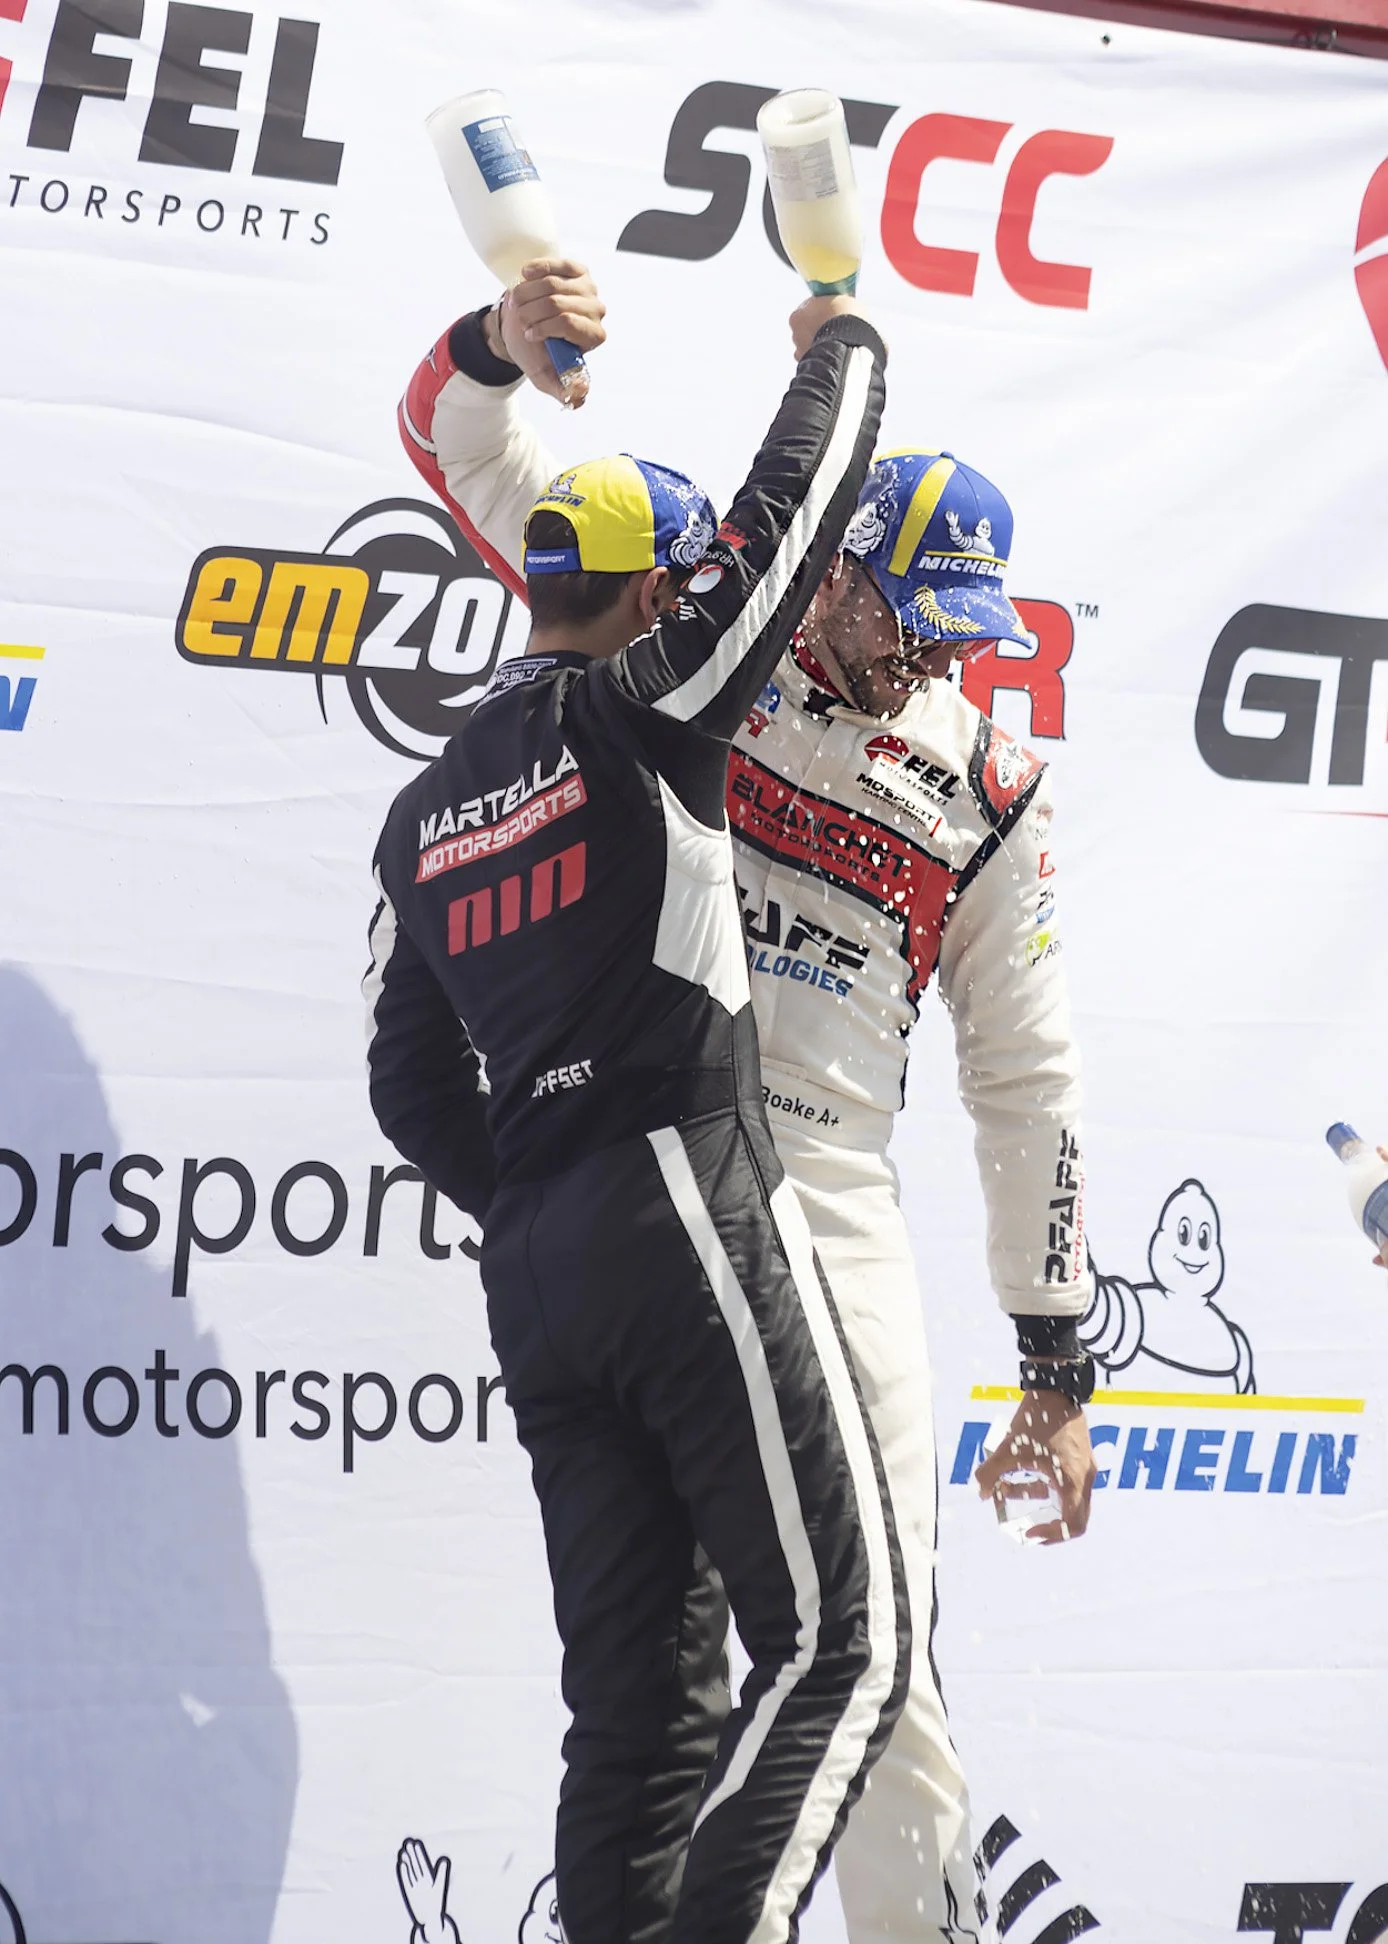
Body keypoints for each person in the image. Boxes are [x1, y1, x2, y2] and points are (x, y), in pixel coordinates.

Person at [398, 262, 1100, 1944]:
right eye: (903, 609)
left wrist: (1058, 1355)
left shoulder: (989, 785)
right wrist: (501, 342)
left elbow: (1027, 1073)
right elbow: (472, 461)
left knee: (882, 1651)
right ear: (837, 563)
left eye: (960, 627)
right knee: (660, 1669)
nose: (925, 650)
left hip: (833, 1188)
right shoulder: (706, 635)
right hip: (663, 1147)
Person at [367, 293, 908, 1944]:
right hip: (685, 1192)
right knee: (844, 1646)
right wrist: (848, 348)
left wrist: (545, 1180)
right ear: (670, 595)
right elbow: (791, 509)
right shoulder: (645, 712)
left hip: (537, 1265)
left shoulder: (420, 807)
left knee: (644, 1723)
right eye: (696, 585)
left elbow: (405, 1091)